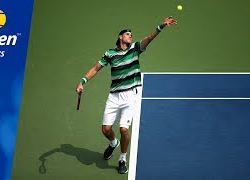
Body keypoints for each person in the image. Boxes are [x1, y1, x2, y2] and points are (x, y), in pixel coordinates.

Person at [75, 16, 177, 174]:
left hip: (130, 95)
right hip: (114, 96)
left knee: (124, 129)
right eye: (127, 33)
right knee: (105, 129)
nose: (130, 35)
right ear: (120, 37)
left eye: (131, 34)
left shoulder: (135, 48)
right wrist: (82, 81)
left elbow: (149, 38)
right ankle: (113, 143)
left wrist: (161, 26)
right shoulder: (110, 53)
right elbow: (95, 68)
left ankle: (122, 158)